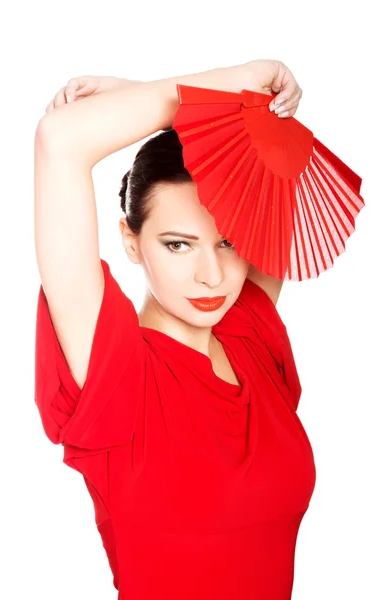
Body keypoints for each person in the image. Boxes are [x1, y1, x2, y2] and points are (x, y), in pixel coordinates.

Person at [34, 59, 315, 599]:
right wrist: (248, 77)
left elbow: (277, 155)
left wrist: (160, 104)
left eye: (229, 242)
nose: (213, 275)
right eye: (178, 244)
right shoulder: (114, 373)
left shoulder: (249, 337)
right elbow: (59, 138)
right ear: (131, 240)